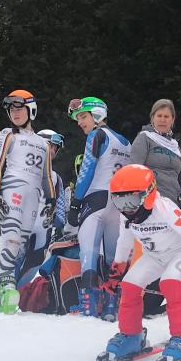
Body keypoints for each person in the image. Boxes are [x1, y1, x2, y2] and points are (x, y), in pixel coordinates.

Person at [99, 165, 181, 361]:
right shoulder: (127, 216)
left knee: (170, 284)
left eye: (131, 200)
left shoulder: (164, 208)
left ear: (148, 194)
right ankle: (131, 336)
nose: (126, 207)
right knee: (129, 285)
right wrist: (117, 270)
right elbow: (125, 242)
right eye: (119, 200)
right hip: (154, 256)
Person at [0, 90, 55, 314]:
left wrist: (51, 201)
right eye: (12, 110)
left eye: (20, 109)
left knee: (17, 249)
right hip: (12, 191)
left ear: (31, 110)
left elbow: (47, 175)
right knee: (11, 243)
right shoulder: (7, 134)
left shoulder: (43, 144)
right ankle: (6, 284)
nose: (15, 114)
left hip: (33, 197)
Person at [67, 96, 131, 317]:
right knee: (114, 257)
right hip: (120, 203)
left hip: (96, 198)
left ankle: (89, 306)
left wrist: (75, 202)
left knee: (90, 251)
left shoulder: (97, 134)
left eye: (83, 116)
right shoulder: (125, 141)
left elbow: (87, 170)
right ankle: (112, 306)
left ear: (96, 115)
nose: (79, 122)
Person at [130, 99, 181, 219]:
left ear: (172, 120)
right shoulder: (145, 138)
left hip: (173, 206)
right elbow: (134, 170)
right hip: (149, 205)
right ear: (152, 118)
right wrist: (140, 203)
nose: (162, 119)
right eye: (159, 116)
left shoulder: (174, 145)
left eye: (166, 116)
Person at [15, 129, 68, 283]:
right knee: (14, 262)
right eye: (49, 145)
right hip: (21, 224)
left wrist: (59, 226)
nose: (51, 150)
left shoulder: (56, 177)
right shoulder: (22, 169)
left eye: (54, 148)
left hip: (43, 230)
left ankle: (15, 297)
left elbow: (60, 205)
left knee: (34, 264)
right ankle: (1, 297)